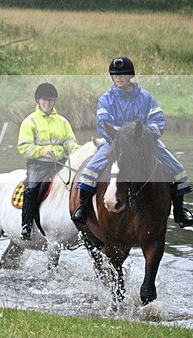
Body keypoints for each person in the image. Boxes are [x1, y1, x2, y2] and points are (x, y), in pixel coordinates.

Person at [73, 56, 193, 228]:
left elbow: (158, 121)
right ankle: (82, 209)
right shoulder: (106, 99)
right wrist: (122, 138)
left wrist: (145, 135)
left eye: (123, 74)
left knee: (177, 169)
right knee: (90, 170)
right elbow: (103, 124)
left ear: (130, 76)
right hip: (114, 143)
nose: (119, 77)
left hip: (145, 144)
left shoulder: (145, 97)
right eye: (115, 74)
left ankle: (180, 212)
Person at [17, 83, 80, 239]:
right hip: (38, 164)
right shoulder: (30, 121)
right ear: (38, 100)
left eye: (51, 100)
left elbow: (69, 142)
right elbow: (24, 147)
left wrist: (76, 150)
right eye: (44, 100)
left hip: (61, 163)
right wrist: (41, 151)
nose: (47, 103)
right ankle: (26, 225)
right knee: (31, 188)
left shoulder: (63, 122)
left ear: (54, 101)